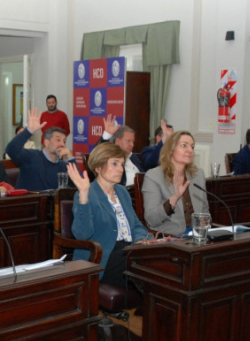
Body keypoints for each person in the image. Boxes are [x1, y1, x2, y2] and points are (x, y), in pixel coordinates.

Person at [67, 143, 148, 288]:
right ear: (98, 167)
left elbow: (136, 225)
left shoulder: (122, 192)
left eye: (122, 164)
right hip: (102, 257)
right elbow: (82, 234)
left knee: (155, 260)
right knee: (143, 266)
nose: (120, 169)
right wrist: (84, 196)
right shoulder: (86, 193)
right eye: (114, 164)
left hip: (128, 250)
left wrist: (140, 241)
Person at [141, 131, 209, 236]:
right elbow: (151, 219)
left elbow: (204, 210)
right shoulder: (154, 176)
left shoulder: (198, 174)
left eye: (192, 147)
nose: (190, 150)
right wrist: (174, 198)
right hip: (171, 236)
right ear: (170, 150)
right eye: (184, 145)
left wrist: (204, 222)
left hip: (196, 234)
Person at [5, 107, 76, 191]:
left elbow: (78, 185)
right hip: (30, 199)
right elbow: (11, 150)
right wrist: (29, 131)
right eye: (58, 140)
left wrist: (70, 158)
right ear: (46, 142)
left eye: (64, 141)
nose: (62, 144)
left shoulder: (63, 166)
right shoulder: (31, 157)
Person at [97, 114, 145, 186]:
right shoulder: (110, 157)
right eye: (128, 141)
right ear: (117, 141)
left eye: (133, 142)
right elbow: (97, 156)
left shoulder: (133, 157)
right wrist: (107, 135)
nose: (132, 145)